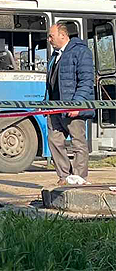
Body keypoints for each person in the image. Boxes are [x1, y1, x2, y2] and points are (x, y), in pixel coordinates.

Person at [46, 22, 94, 186]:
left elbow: (86, 81)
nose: (49, 39)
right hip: (55, 108)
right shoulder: (55, 55)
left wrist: (76, 104)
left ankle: (79, 177)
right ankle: (64, 176)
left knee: (78, 142)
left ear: (63, 35)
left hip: (72, 107)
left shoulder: (81, 51)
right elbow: (52, 83)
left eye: (51, 35)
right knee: (54, 140)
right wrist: (46, 104)